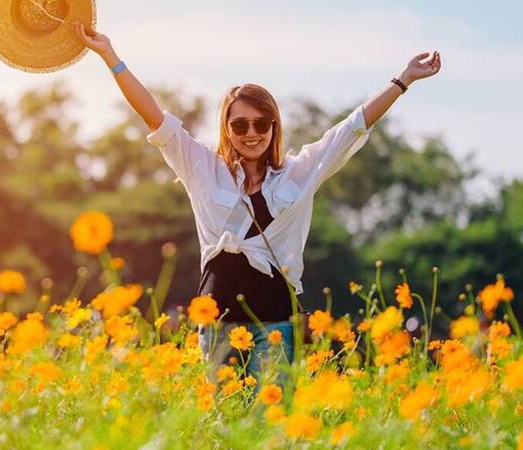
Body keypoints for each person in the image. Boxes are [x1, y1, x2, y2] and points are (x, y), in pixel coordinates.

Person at [73, 22, 442, 386]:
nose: (251, 133)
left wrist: (403, 80)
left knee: (271, 429)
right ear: (227, 129)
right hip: (216, 321)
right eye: (241, 125)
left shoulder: (299, 172)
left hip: (277, 321)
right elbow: (153, 116)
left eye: (261, 124)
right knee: (225, 425)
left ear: (274, 128)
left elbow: (351, 129)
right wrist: (110, 56)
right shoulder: (201, 167)